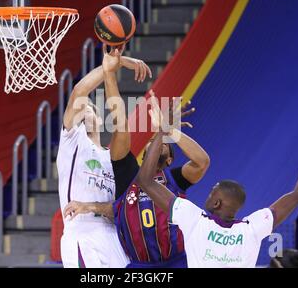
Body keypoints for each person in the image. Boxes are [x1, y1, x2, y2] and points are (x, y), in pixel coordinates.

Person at [136, 99, 298, 268]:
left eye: (211, 193)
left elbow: (146, 180)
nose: (207, 196)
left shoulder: (194, 220)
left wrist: (162, 132)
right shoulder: (252, 229)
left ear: (217, 203)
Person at [64, 46, 211, 268]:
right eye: (153, 140)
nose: (155, 140)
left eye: (162, 144)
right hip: (138, 264)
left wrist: (170, 131)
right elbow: (120, 124)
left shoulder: (174, 180)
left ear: (169, 159)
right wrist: (109, 75)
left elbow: (202, 162)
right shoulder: (127, 176)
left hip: (177, 262)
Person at [57, 45, 150, 268]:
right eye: (82, 109)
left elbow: (118, 208)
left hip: (112, 235)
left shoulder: (114, 158)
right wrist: (117, 64)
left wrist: (92, 206)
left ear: (100, 119)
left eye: (90, 107)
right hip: (81, 232)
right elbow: (79, 92)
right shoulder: (73, 141)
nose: (84, 109)